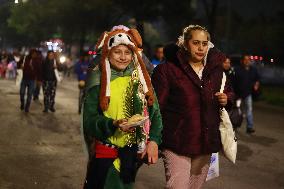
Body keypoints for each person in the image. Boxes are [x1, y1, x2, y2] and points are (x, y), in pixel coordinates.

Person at [152, 25, 234, 189]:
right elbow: (156, 107)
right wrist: (152, 139)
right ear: (185, 44)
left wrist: (227, 99)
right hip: (176, 142)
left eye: (204, 43)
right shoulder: (167, 69)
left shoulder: (215, 71)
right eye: (196, 42)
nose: (201, 47)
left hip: (205, 143)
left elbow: (228, 92)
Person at [82, 26, 163, 189]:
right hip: (105, 158)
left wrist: (154, 141)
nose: (123, 57)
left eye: (127, 52)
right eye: (117, 52)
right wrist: (112, 124)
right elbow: (89, 122)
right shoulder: (98, 83)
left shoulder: (141, 82)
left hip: (130, 158)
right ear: (108, 52)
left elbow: (155, 114)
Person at [233, 55, 260, 134]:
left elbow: (257, 79)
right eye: (245, 59)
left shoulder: (253, 70)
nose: (247, 61)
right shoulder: (237, 69)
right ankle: (235, 125)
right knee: (237, 111)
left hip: (248, 94)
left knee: (249, 110)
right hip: (238, 95)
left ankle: (249, 127)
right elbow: (233, 81)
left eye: (248, 60)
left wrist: (256, 84)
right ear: (242, 61)